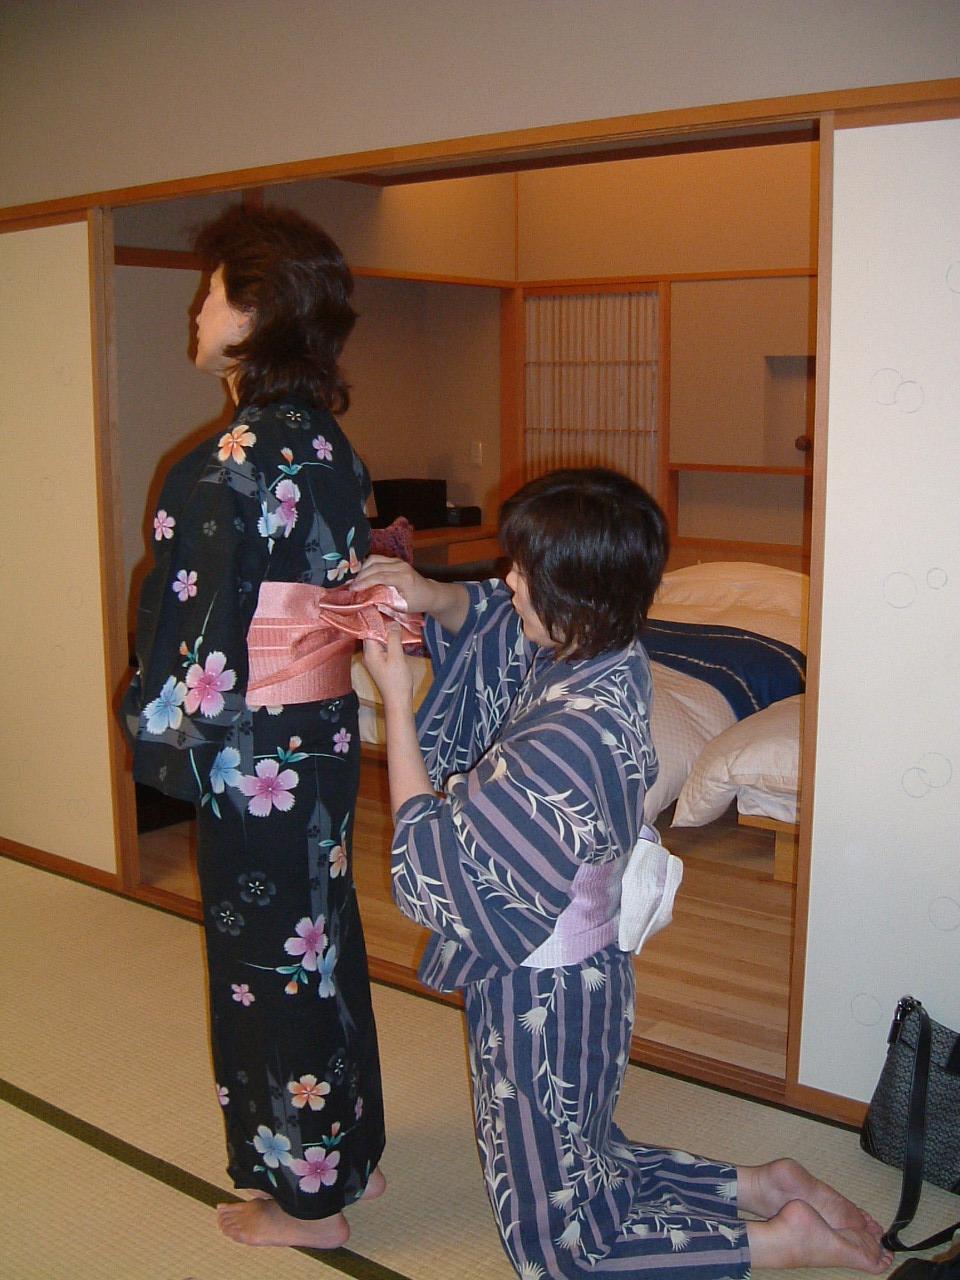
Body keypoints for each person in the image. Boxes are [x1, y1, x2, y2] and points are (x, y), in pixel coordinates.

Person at [357, 467, 893, 1279]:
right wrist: (430, 596)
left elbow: (440, 871)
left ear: (574, 598)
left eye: (523, 572)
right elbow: (499, 623)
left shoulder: (564, 739)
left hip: (541, 994)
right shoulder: (607, 656)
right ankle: (759, 1184)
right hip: (590, 978)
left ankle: (780, 1240)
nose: (507, 582)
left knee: (558, 1249)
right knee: (580, 1151)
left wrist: (396, 703)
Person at [122, 204, 385, 1249]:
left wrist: (160, 734)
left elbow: (193, 630)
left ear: (256, 314)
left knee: (271, 967)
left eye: (215, 292)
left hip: (254, 754)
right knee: (321, 943)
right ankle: (344, 1152)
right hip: (320, 734)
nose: (198, 310)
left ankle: (311, 1203)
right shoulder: (326, 442)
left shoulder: (228, 458)